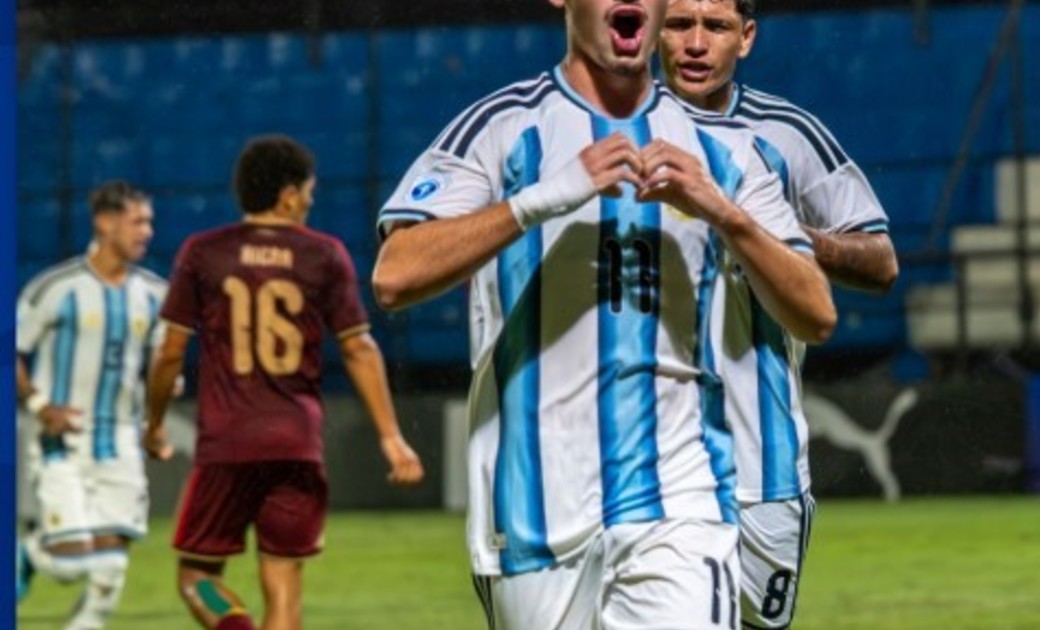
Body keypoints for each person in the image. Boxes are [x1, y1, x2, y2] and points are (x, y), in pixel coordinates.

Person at [372, 0, 836, 627]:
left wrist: (725, 214)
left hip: (681, 496)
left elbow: (815, 313)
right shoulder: (503, 128)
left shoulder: (720, 149)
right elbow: (394, 276)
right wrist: (539, 200)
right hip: (531, 506)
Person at [658, 1, 899, 627]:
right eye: (679, 24)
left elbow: (880, 261)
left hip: (758, 460)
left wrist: (782, 234)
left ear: (746, 38)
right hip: (644, 462)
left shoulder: (785, 134)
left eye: (716, 27)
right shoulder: (612, 133)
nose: (695, 43)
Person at [142, 135, 425, 630]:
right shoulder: (324, 254)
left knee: (196, 577)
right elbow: (359, 348)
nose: (310, 202)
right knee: (284, 587)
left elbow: (169, 353)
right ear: (289, 195)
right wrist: (391, 436)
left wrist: (155, 423)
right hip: (296, 444)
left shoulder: (203, 253)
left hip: (227, 443)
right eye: (308, 193)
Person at [15, 181, 162, 629]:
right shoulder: (56, 287)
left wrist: (158, 408)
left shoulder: (155, 293)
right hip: (62, 441)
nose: (147, 232)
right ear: (105, 222)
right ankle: (26, 554)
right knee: (69, 564)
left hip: (121, 441)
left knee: (110, 571)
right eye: (137, 221)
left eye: (149, 222)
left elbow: (161, 363)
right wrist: (41, 405)